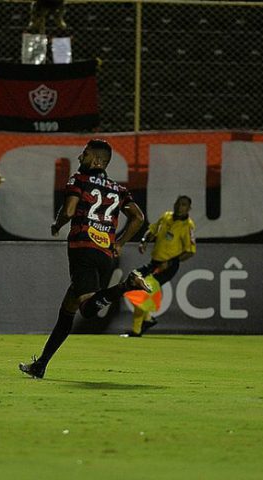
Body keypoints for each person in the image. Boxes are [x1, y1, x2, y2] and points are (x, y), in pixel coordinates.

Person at [19, 139, 151, 379]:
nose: (80, 158)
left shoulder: (78, 180)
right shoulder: (118, 189)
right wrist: (119, 243)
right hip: (105, 253)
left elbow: (69, 211)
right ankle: (41, 365)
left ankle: (128, 285)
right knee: (68, 309)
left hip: (83, 247)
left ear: (98, 160)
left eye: (85, 154)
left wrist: (56, 224)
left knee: (87, 309)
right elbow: (138, 217)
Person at [125, 195, 196, 337]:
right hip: (154, 263)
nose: (180, 206)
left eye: (184, 204)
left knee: (141, 293)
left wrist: (170, 262)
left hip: (167, 267)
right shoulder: (166, 217)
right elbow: (152, 230)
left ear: (189, 208)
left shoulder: (188, 225)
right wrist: (144, 240)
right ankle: (148, 319)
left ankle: (136, 330)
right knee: (132, 280)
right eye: (178, 203)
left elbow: (190, 251)